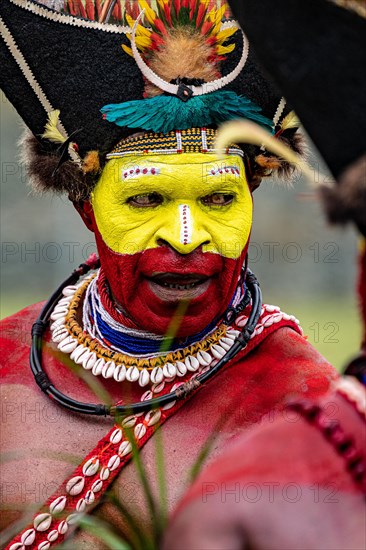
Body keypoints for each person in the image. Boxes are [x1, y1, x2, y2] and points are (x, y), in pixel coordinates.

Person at [0, 1, 336, 548]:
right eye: (147, 198)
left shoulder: (307, 409)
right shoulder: (8, 357)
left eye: (218, 199)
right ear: (87, 208)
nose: (185, 235)